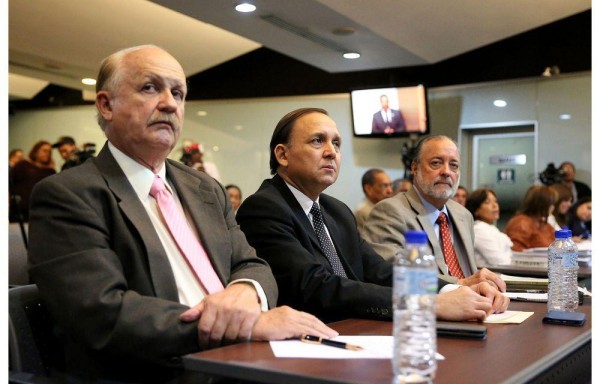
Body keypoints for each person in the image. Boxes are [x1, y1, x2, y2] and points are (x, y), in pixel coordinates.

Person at [27, 45, 335, 383]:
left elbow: (252, 264)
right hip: (159, 371)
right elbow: (102, 314)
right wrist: (247, 324)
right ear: (105, 104)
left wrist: (246, 290)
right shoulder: (68, 194)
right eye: (149, 87)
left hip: (243, 362)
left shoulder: (204, 188)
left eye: (178, 93)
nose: (170, 103)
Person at [236, 109, 508, 324]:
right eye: (318, 141)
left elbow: (379, 270)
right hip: (309, 343)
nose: (332, 151)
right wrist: (424, 304)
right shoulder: (264, 208)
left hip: (358, 328)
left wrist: (448, 290)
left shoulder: (336, 211)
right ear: (282, 154)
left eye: (337, 144)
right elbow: (316, 287)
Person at [363, 135, 504, 288]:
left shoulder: (463, 215)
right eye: (436, 163)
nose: (446, 172)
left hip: (475, 304)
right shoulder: (389, 212)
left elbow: (469, 272)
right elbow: (394, 274)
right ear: (415, 168)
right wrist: (458, 284)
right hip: (424, 306)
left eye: (454, 165)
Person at [9, 140, 56, 222]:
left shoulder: (50, 171)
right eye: (44, 151)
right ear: (35, 152)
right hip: (19, 212)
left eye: (49, 151)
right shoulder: (22, 165)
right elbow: (9, 185)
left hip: (41, 213)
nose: (47, 153)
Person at [465, 189, 513, 266]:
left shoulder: (490, 228)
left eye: (495, 201)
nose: (495, 205)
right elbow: (500, 262)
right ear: (476, 210)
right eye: (487, 202)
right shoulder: (479, 230)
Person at [503, 185, 556, 251]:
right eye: (551, 204)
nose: (553, 207)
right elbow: (516, 252)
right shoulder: (520, 223)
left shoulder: (545, 225)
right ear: (542, 204)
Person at [354, 168, 393, 236]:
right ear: (368, 189)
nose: (390, 191)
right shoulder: (362, 212)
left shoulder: (385, 209)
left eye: (390, 185)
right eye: (384, 186)